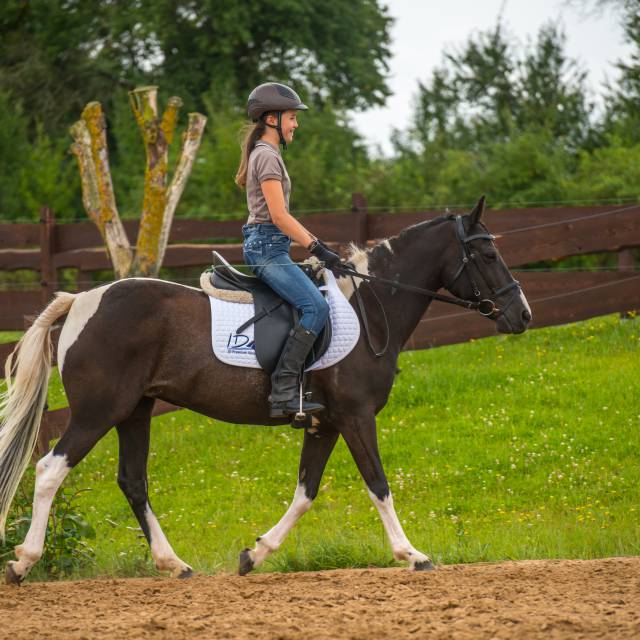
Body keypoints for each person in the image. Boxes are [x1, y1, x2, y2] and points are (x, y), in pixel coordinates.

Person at [235, 82, 342, 419]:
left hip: (271, 245)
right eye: (292, 117)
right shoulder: (266, 156)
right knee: (315, 307)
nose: (296, 124)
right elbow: (279, 216)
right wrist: (315, 247)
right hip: (267, 249)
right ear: (271, 119)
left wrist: (317, 245)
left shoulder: (267, 154)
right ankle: (282, 390)